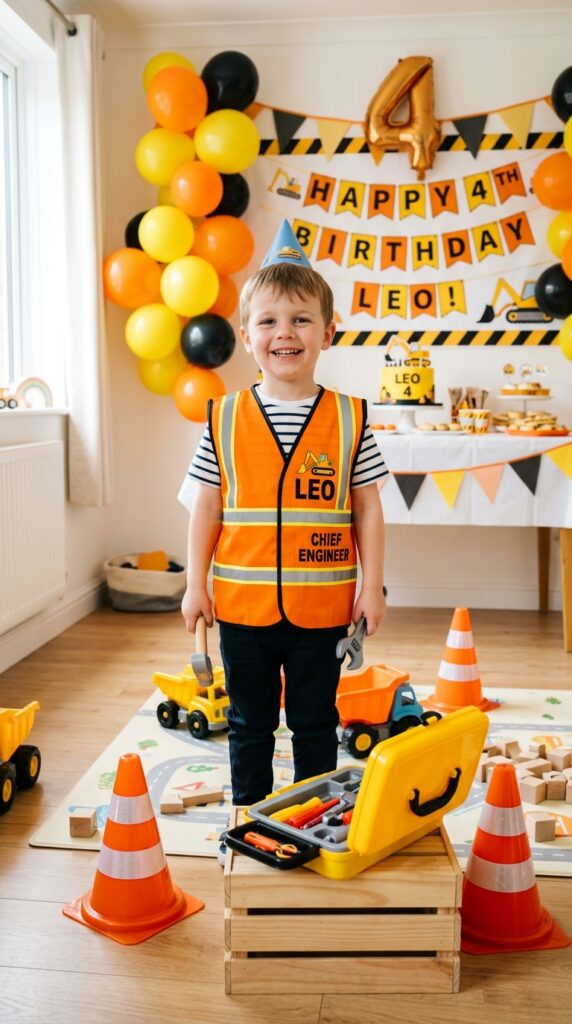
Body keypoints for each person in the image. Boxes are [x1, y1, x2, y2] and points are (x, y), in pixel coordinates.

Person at [179, 220, 388, 808]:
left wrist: (372, 587)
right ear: (246, 336)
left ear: (328, 332)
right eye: (268, 321)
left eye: (301, 319)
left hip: (321, 611)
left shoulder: (351, 418)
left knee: (316, 724)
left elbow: (368, 509)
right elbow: (206, 505)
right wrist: (196, 584)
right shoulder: (221, 418)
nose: (285, 333)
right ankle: (250, 816)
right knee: (248, 724)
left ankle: (310, 814)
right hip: (242, 611)